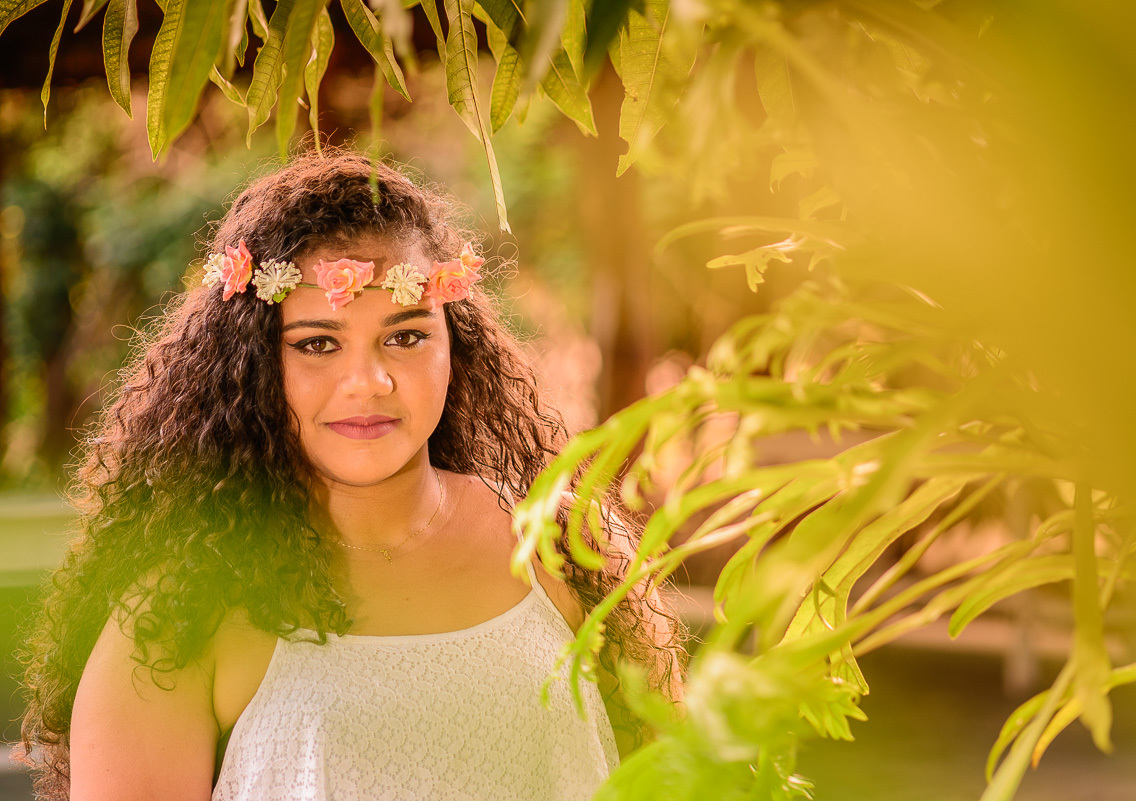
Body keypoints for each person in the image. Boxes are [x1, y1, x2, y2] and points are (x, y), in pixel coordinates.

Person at [16, 151, 689, 801]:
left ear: (455, 343)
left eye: (405, 336)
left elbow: (681, 777)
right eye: (318, 343)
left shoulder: (566, 546)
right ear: (254, 362)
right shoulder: (176, 615)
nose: (369, 381)